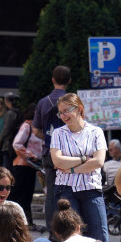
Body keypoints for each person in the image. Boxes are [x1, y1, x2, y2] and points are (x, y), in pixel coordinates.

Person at [50, 93, 110, 242]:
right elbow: (57, 161)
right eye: (61, 112)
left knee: (100, 236)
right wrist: (83, 159)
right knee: (71, 237)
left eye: (67, 110)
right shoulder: (58, 133)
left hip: (91, 188)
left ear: (79, 109)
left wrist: (71, 169)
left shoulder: (96, 132)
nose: (63, 115)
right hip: (65, 189)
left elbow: (98, 162)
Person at [33, 65, 71, 223]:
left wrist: (52, 139)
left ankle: (51, 228)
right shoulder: (72, 101)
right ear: (69, 81)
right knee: (69, 191)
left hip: (49, 152)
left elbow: (36, 130)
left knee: (51, 192)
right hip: (70, 154)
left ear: (53, 80)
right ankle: (67, 226)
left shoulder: (43, 102)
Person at [10, 104, 43, 224]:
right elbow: (17, 144)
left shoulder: (37, 128)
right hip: (23, 164)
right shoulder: (26, 126)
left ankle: (26, 221)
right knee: (18, 193)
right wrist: (30, 155)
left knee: (27, 195)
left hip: (32, 166)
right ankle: (13, 219)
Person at [0, 92, 21, 168]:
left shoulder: (10, 113)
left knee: (8, 167)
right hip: (17, 143)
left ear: (6, 101)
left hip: (9, 144)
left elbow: (6, 129)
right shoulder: (18, 111)